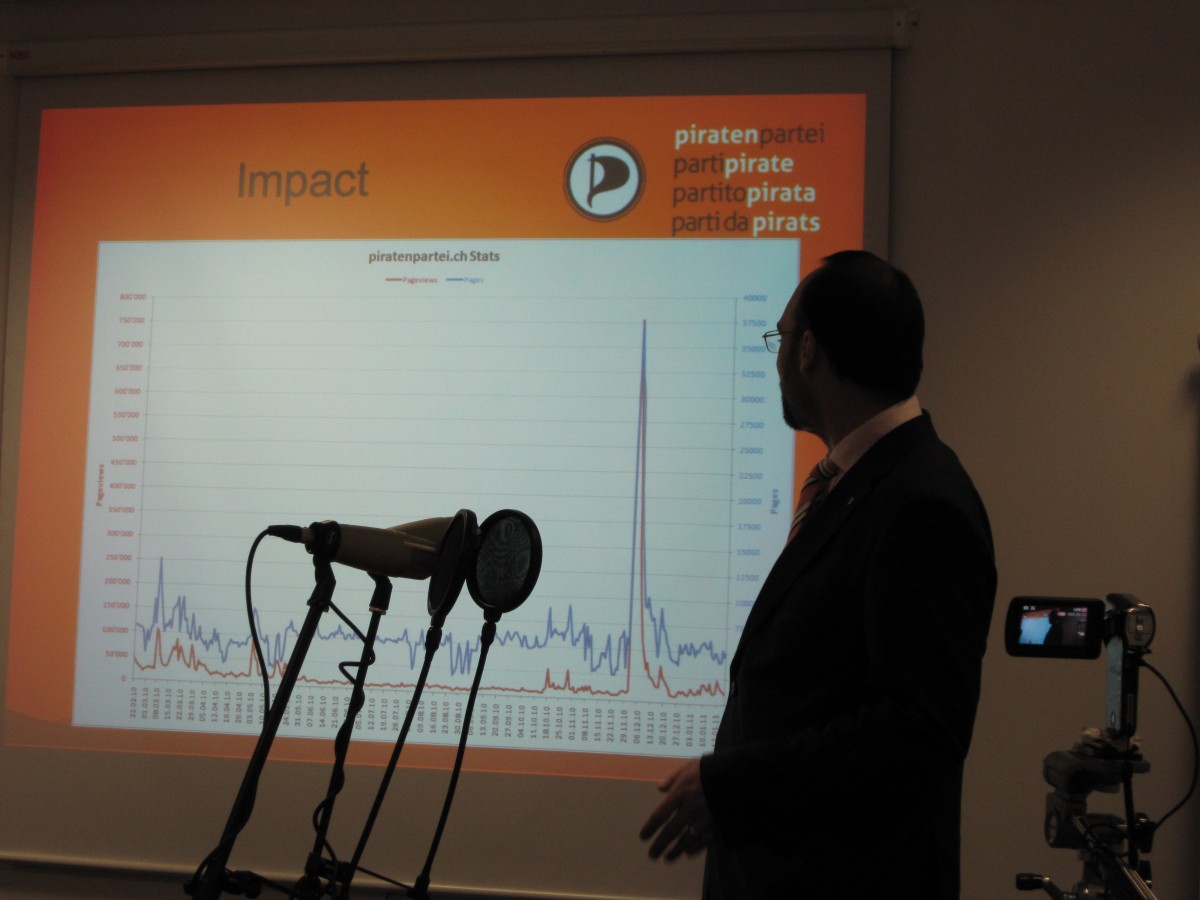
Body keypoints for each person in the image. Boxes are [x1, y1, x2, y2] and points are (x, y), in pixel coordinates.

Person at [639, 250, 997, 899]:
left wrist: (733, 786)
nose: (776, 359)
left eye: (779, 338)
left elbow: (917, 733)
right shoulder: (863, 484)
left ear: (807, 351)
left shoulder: (921, 503)